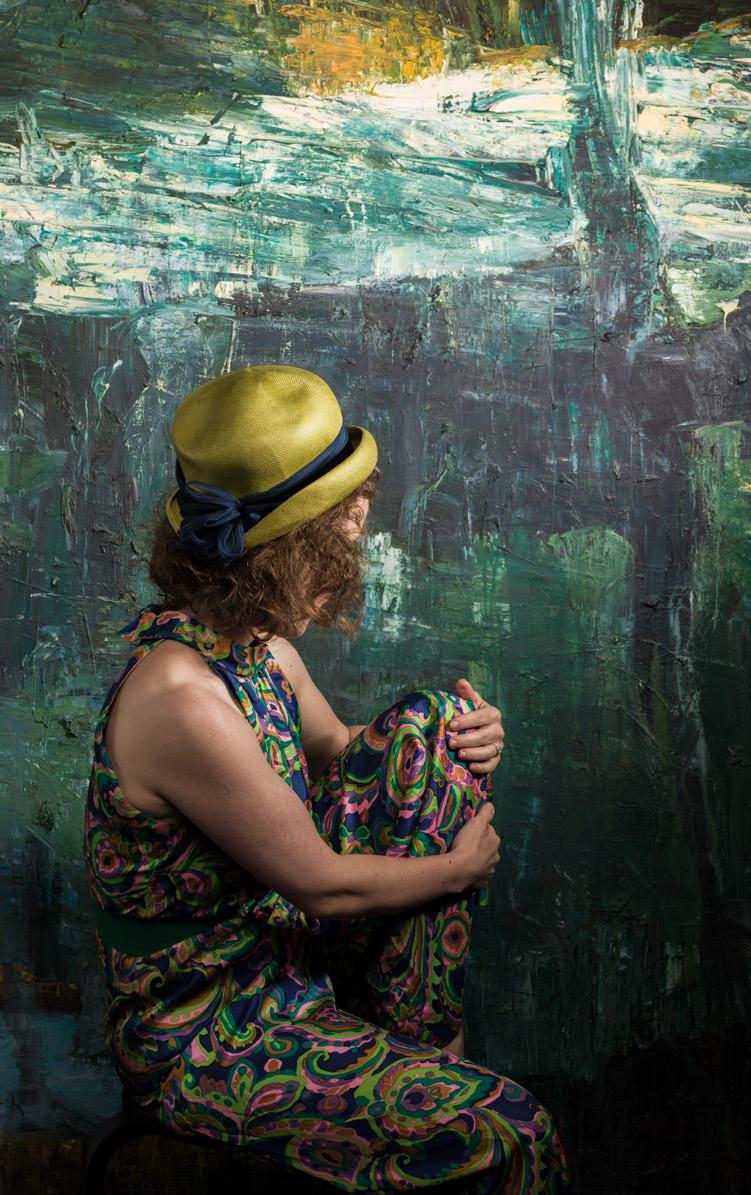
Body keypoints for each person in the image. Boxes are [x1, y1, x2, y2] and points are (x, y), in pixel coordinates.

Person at [84, 364, 569, 1191]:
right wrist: (458, 869)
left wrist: (468, 736)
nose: (348, 567)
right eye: (333, 548)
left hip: (290, 967)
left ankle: (424, 1050)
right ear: (274, 557)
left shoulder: (259, 652)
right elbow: (321, 883)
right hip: (211, 1032)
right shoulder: (181, 697)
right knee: (510, 1134)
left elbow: (350, 754)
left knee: (428, 729)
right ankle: (436, 1075)